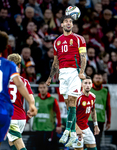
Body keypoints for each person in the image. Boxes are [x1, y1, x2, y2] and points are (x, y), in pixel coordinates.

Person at [46, 15, 87, 147]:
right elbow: (55, 63)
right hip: (62, 74)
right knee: (69, 105)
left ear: (72, 24)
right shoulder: (57, 41)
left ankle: (67, 130)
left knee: (72, 100)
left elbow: (83, 57)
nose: (68, 24)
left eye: (70, 22)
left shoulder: (79, 39)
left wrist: (81, 71)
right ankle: (74, 134)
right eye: (66, 22)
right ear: (62, 24)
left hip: (74, 72)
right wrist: (49, 78)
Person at [7, 53, 35, 150]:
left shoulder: (3, 80)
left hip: (10, 118)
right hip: (21, 118)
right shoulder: (24, 81)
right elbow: (31, 98)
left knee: (19, 145)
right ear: (19, 66)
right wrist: (31, 108)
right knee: (12, 142)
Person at [72, 76, 100, 150]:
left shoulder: (93, 96)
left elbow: (93, 110)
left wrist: (96, 125)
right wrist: (76, 128)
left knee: (94, 148)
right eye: (85, 83)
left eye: (89, 83)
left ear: (92, 85)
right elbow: (71, 115)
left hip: (86, 128)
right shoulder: (78, 97)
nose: (87, 85)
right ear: (81, 84)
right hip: (76, 129)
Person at [33, 82, 62, 150]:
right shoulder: (35, 99)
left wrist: (59, 125)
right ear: (38, 89)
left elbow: (58, 113)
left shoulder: (52, 100)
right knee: (38, 147)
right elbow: (30, 112)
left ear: (47, 88)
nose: (42, 89)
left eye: (44, 87)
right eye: (40, 88)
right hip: (38, 127)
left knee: (48, 146)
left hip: (49, 128)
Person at [88, 73, 111, 150]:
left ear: (102, 80)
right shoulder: (87, 90)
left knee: (97, 142)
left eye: (99, 78)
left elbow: (108, 107)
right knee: (88, 142)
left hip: (100, 120)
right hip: (88, 120)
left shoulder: (105, 91)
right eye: (96, 78)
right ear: (93, 80)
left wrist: (109, 121)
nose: (98, 80)